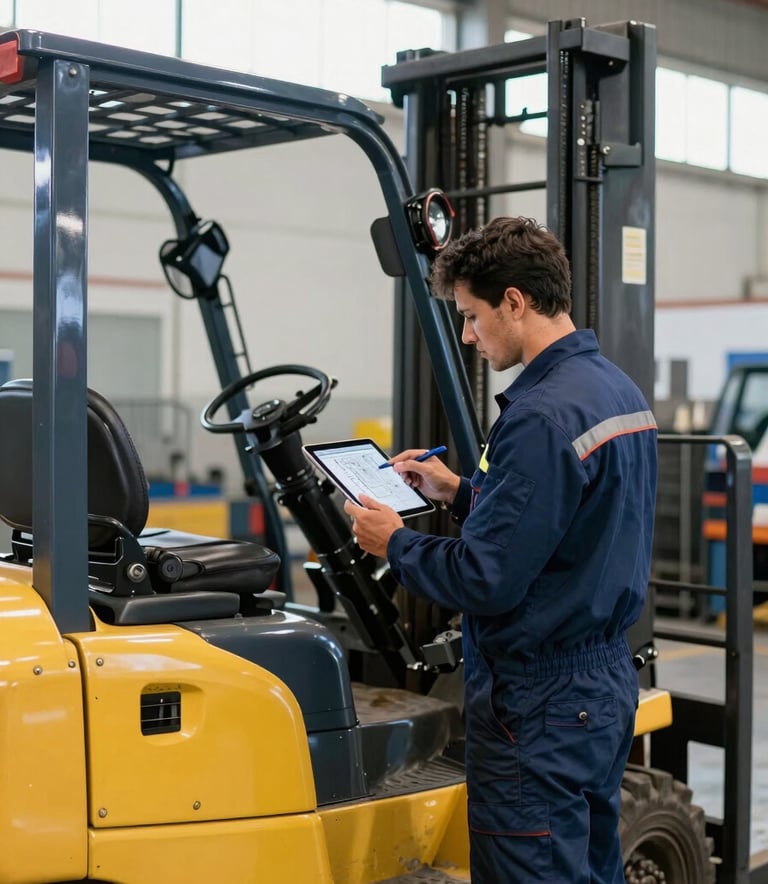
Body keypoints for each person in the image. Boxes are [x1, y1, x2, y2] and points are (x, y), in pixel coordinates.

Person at [344, 216, 658, 883]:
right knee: (593, 870)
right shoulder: (616, 392)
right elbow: (561, 526)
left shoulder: (540, 415)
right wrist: (457, 491)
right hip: (601, 683)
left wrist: (393, 542)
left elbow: (485, 578)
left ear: (515, 302)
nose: (467, 334)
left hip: (538, 702)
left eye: (472, 316)